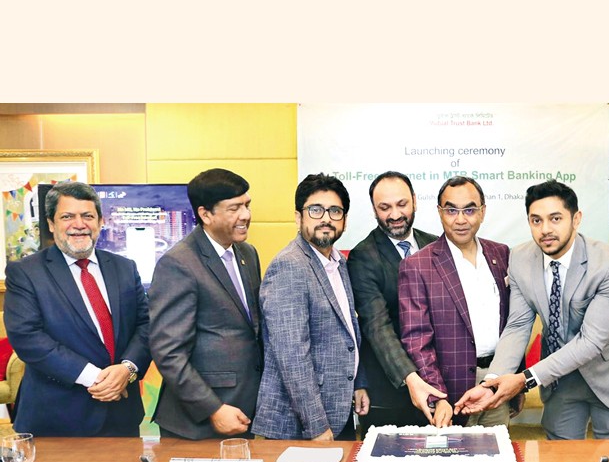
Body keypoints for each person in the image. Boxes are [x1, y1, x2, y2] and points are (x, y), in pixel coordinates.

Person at [455, 179, 609, 439]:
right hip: (559, 376)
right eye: (536, 221)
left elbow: (591, 341)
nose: (545, 229)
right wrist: (492, 382)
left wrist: (525, 379)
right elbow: (518, 325)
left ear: (576, 219)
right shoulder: (520, 259)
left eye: (555, 219)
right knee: (560, 455)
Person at [4, 181, 151, 436]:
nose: (79, 224)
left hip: (121, 416)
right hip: (56, 419)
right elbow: (27, 337)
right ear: (51, 224)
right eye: (67, 216)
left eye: (87, 216)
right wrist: (97, 379)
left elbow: (146, 325)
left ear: (100, 222)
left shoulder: (125, 268)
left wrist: (127, 369)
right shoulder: (25, 273)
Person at [251, 173, 369, 440]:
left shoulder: (339, 264)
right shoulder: (289, 266)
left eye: (335, 211)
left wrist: (358, 383)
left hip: (338, 411)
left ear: (345, 220)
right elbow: (292, 356)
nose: (326, 218)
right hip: (301, 425)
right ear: (298, 217)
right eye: (316, 210)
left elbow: (348, 331)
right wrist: (316, 425)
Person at [149, 168, 263, 440]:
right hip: (199, 420)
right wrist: (213, 409)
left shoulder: (248, 253)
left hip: (244, 409)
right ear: (205, 214)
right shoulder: (179, 263)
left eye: (247, 205)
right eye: (234, 208)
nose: (245, 215)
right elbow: (168, 352)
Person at [398, 176, 518, 427]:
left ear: (482, 212)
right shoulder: (417, 265)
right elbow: (417, 339)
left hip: (497, 383)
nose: (461, 219)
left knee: (497, 449)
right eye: (451, 210)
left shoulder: (501, 254)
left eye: (469, 210)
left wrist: (514, 382)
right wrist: (438, 395)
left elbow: (515, 321)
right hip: (451, 393)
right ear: (440, 212)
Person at [347, 171, 444, 434]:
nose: (395, 214)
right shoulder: (363, 257)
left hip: (439, 387)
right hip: (390, 393)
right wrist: (410, 377)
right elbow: (377, 326)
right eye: (384, 207)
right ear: (374, 210)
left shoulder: (435, 245)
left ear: (415, 201)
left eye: (402, 204)